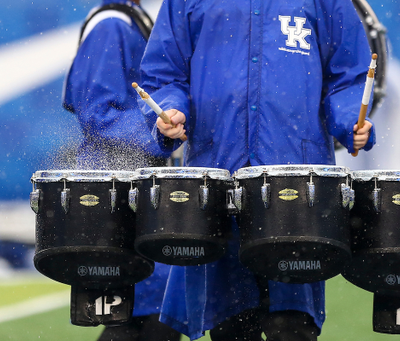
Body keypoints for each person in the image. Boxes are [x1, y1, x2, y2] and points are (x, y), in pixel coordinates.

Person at [138, 1, 375, 340]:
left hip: (297, 187)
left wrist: (351, 118)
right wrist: (170, 111)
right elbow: (163, 73)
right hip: (217, 180)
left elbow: (349, 74)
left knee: (292, 327)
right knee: (230, 326)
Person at [62, 1, 180, 340]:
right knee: (143, 321)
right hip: (118, 196)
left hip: (130, 192)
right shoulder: (112, 24)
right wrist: (160, 133)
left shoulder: (124, 19)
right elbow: (97, 112)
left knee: (148, 319)